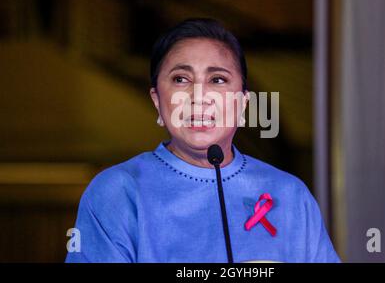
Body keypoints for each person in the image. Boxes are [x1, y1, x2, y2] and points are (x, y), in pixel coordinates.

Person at [65, 18, 340, 263]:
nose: (199, 96)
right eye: (181, 79)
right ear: (157, 100)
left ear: (243, 103)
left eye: (218, 79)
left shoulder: (290, 194)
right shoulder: (118, 192)